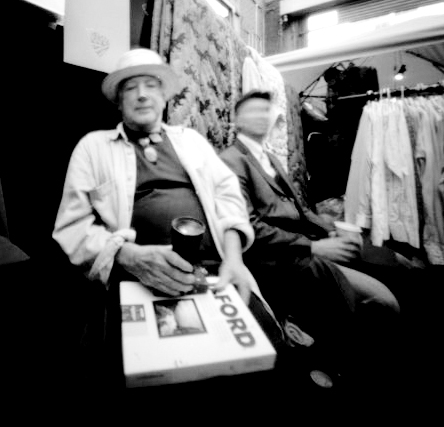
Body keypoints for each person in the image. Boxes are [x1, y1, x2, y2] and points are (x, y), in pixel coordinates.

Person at [52, 49, 284, 390]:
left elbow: (228, 196)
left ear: (164, 96)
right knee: (141, 375)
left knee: (264, 359)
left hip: (214, 271)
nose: (142, 94)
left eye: (151, 85)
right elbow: (72, 227)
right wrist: (127, 255)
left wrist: (235, 259)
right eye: (131, 87)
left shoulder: (192, 141)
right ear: (119, 101)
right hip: (135, 277)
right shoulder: (93, 147)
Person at [220, 89, 403, 385]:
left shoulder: (269, 157)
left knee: (383, 262)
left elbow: (301, 210)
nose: (261, 117)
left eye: (266, 111)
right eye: (252, 111)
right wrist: (314, 247)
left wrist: (331, 229)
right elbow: (249, 226)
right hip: (279, 260)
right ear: (237, 119)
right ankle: (338, 362)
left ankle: (345, 353)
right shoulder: (231, 160)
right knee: (383, 301)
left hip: (305, 245)